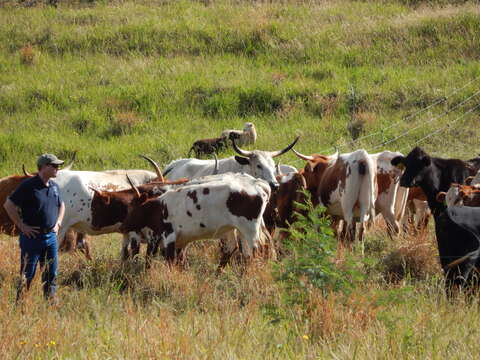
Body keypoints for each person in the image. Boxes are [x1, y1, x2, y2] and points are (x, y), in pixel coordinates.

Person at [4, 154, 65, 302]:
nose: (58, 168)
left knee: (51, 272)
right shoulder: (28, 185)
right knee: (27, 273)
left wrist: (58, 223)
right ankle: (21, 304)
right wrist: (21, 225)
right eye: (54, 166)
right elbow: (9, 204)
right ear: (43, 167)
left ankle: (50, 301)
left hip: (50, 237)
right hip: (32, 238)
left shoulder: (54, 186)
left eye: (58, 166)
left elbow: (61, 205)